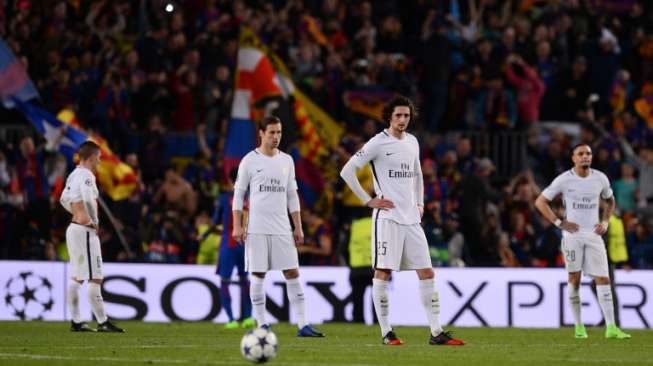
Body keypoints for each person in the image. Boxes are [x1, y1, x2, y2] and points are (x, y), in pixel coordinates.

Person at [339, 95, 464, 346]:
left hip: (411, 219)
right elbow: (347, 171)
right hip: (388, 218)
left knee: (427, 272)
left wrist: (420, 203)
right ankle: (387, 332)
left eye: (406, 115)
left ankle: (437, 332)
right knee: (383, 272)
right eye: (398, 115)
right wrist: (367, 200)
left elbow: (417, 175)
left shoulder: (413, 142)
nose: (402, 120)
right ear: (389, 116)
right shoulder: (377, 142)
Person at [232, 116, 324, 337]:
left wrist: (298, 227)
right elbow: (238, 195)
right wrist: (237, 225)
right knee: (258, 274)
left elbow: (292, 196)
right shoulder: (249, 161)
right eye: (271, 132)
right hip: (257, 227)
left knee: (292, 272)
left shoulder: (287, 161)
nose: (276, 137)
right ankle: (261, 324)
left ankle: (303, 325)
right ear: (261, 133)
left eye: (279, 132)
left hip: (282, 227)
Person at [534, 143, 630, 339]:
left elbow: (610, 201)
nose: (585, 156)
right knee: (574, 279)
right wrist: (559, 223)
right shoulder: (564, 179)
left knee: (603, 278)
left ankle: (611, 328)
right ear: (573, 158)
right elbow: (540, 201)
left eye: (588, 153)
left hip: (594, 235)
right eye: (581, 154)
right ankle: (579, 327)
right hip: (573, 236)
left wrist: (605, 220)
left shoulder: (600, 178)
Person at [59, 141, 124, 333]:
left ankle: (76, 321)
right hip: (84, 230)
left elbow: (63, 199)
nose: (100, 160)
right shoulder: (87, 175)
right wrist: (93, 220)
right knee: (95, 277)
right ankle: (103, 322)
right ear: (91, 157)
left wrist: (75, 213)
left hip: (73, 228)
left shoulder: (73, 175)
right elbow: (88, 198)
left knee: (77, 276)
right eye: (99, 157)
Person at [215, 168, 254, 329]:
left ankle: (231, 319)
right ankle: (248, 318)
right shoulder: (252, 199)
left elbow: (216, 221)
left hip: (228, 246)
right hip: (245, 245)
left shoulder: (224, 199)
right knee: (245, 281)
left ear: (229, 181)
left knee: (225, 281)